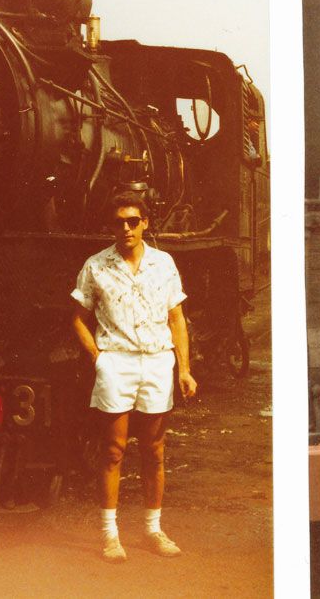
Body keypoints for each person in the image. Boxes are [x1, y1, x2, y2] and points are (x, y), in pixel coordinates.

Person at [70, 191, 198, 562]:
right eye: (118, 222)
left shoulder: (164, 263)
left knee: (154, 451)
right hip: (117, 364)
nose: (125, 228)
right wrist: (100, 359)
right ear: (111, 226)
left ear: (145, 223)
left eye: (132, 221)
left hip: (158, 363)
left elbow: (177, 319)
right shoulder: (96, 266)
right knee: (113, 450)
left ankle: (153, 529)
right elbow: (78, 320)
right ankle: (110, 536)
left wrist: (184, 369)